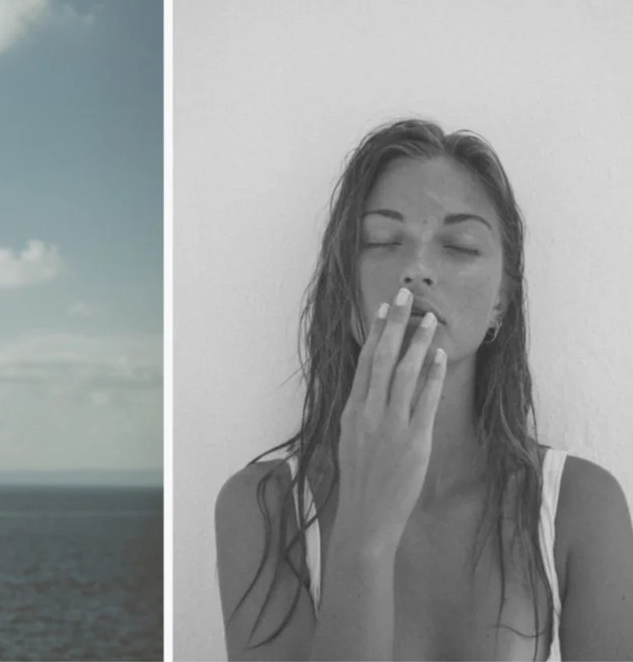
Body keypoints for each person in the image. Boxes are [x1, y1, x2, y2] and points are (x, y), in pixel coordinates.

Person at [214, 119, 633, 661]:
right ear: (347, 284)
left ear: (502, 299)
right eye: (382, 241)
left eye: (459, 246)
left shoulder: (581, 507)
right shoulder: (263, 508)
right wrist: (365, 533)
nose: (416, 269)